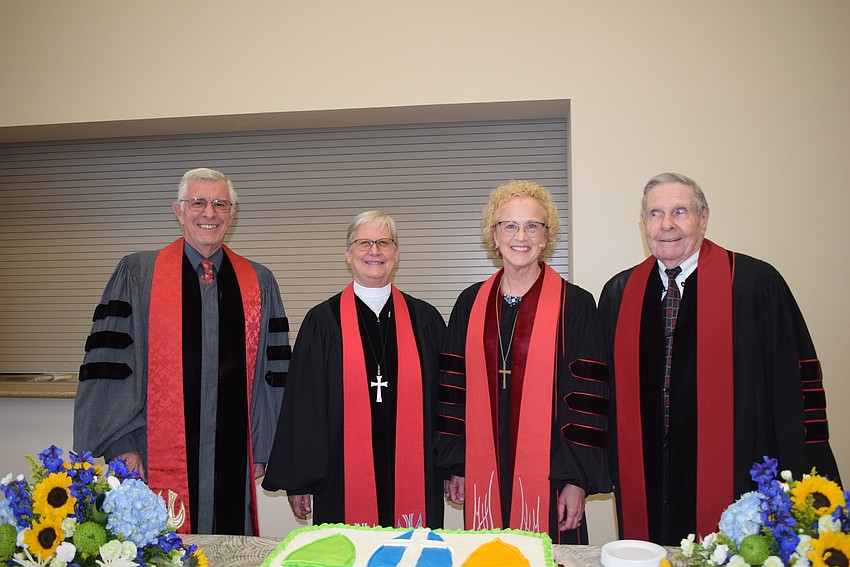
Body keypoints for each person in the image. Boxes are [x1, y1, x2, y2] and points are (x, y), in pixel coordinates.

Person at [599, 172, 840, 545]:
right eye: (655, 214)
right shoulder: (619, 292)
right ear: (643, 222)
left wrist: (802, 469)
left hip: (737, 474)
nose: (666, 225)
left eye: (680, 211)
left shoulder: (755, 284)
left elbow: (795, 385)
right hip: (646, 477)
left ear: (704, 217)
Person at [73, 168, 291, 535]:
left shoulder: (258, 281)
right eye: (198, 202)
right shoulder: (138, 274)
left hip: (233, 454)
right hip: (148, 453)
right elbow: (110, 364)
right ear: (178, 210)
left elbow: (274, 369)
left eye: (220, 204)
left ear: (232, 213)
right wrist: (121, 444)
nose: (209, 213)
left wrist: (264, 444)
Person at [435, 180, 612, 544]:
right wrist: (458, 467)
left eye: (533, 225)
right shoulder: (469, 304)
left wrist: (576, 480)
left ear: (546, 237)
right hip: (485, 471)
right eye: (509, 225)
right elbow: (453, 394)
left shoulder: (574, 306)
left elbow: (587, 401)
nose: (521, 235)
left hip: (552, 477)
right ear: (494, 235)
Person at [262, 211, 447, 528]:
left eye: (384, 242)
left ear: (397, 253)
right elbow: (303, 405)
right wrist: (301, 482)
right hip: (340, 478)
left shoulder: (424, 320)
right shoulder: (322, 322)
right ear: (348, 253)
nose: (374, 251)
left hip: (418, 474)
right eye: (364, 243)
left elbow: (446, 401)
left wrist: (451, 467)